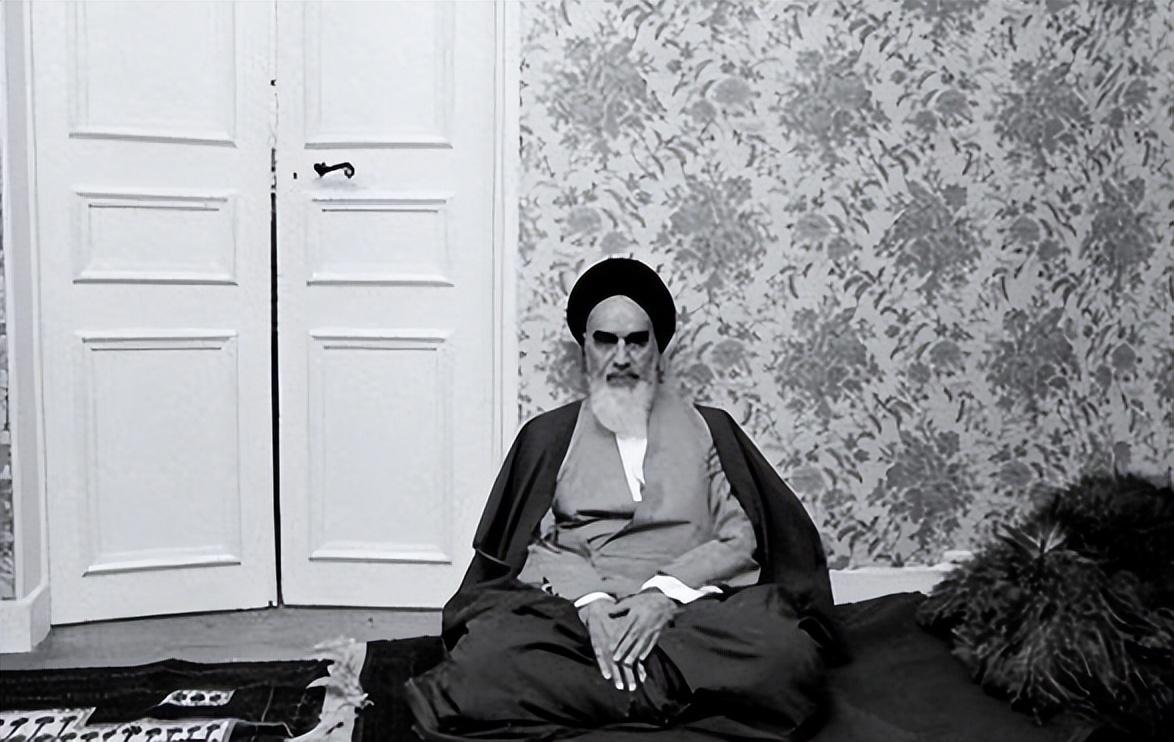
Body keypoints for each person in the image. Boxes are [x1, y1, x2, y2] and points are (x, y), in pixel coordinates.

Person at [405, 258, 841, 740]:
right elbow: (535, 544)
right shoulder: (550, 435)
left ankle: (604, 691)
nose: (621, 356)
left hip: (691, 613)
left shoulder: (708, 428)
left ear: (657, 348)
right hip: (576, 615)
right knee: (485, 659)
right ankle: (669, 692)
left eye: (636, 340)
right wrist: (593, 606)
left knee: (786, 657)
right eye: (605, 340)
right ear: (584, 347)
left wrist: (661, 596)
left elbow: (738, 538)